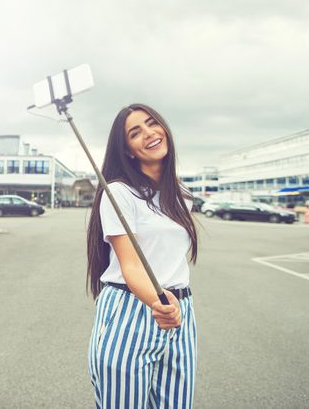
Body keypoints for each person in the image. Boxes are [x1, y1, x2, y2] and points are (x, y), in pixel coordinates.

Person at [87, 103, 199, 409]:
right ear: (129, 151)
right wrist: (157, 301)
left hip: (180, 312)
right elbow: (131, 264)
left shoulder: (182, 195)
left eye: (152, 124)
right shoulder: (118, 193)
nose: (149, 133)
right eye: (135, 133)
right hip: (131, 309)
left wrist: (172, 308)